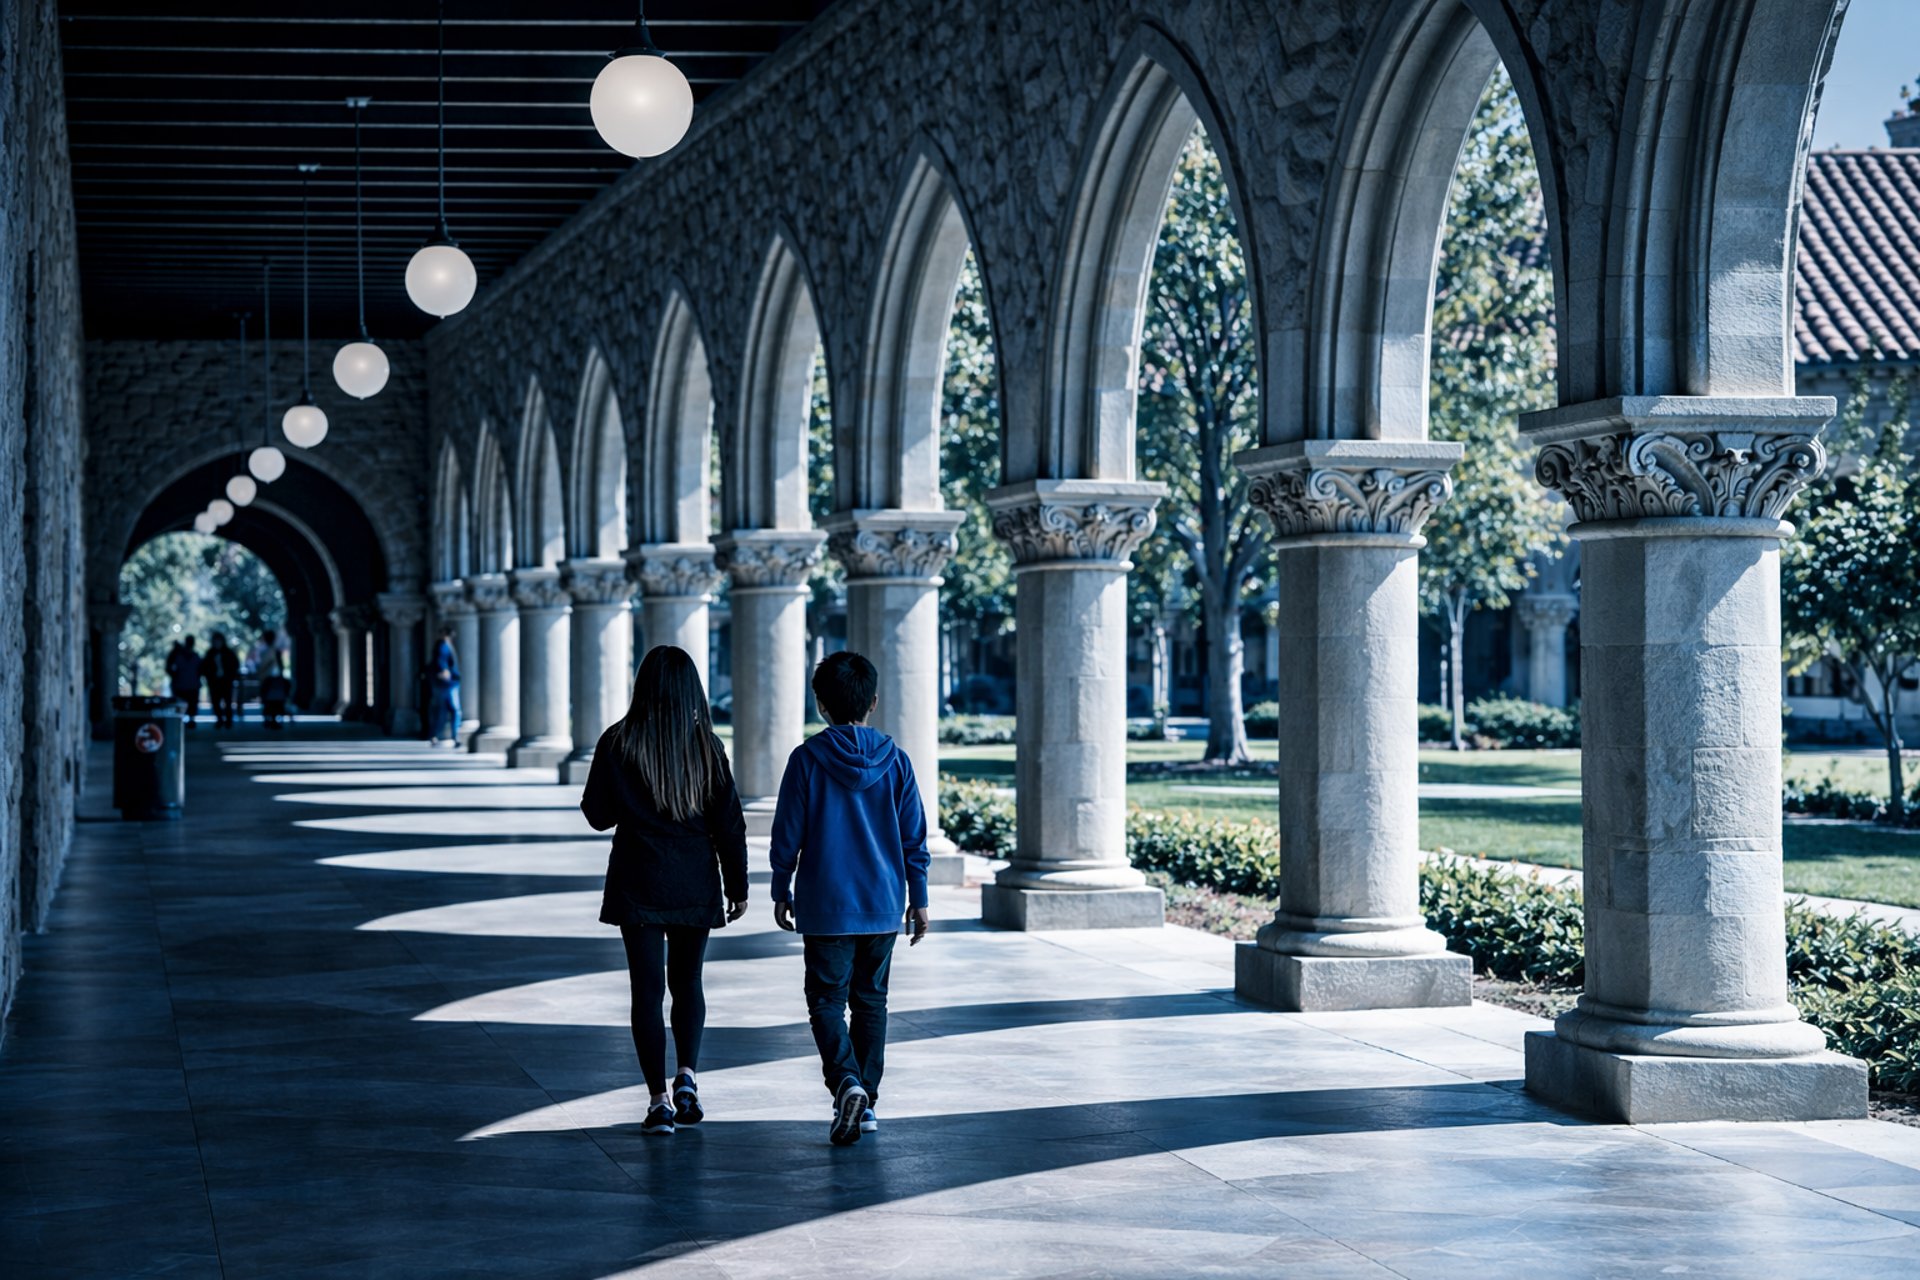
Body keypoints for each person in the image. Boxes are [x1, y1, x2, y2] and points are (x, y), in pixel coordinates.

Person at [580, 646, 748, 1137]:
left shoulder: (618, 741)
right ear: (691, 690)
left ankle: (657, 1101)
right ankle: (688, 1076)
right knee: (688, 983)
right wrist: (737, 887)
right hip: (694, 879)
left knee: (646, 991)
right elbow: (730, 825)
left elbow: (597, 814)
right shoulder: (707, 747)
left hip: (638, 879)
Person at [769, 649, 930, 1147]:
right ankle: (867, 1103)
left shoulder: (806, 760)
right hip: (882, 904)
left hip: (825, 906)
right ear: (874, 702)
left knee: (825, 1001)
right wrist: (918, 899)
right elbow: (914, 840)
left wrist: (781, 887)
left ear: (820, 704)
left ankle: (846, 1083)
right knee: (871, 1003)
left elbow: (786, 834)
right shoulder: (897, 762)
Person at [427, 625, 462, 747]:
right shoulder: (442, 646)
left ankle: (438, 735)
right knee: (452, 709)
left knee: (443, 710)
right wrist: (444, 670)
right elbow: (441, 661)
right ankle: (452, 736)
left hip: (448, 683)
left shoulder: (444, 645)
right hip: (448, 683)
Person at [202, 632, 240, 728]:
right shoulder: (210, 653)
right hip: (214, 682)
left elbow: (235, 666)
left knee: (227, 701)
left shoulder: (228, 653)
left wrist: (231, 676)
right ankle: (219, 719)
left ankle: (228, 720)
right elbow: (205, 667)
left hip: (226, 681)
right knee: (216, 702)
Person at [166, 634, 203, 728]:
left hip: (190, 685)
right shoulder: (181, 655)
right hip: (182, 685)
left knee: (191, 705)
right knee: (185, 705)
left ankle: (189, 720)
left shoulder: (194, 656)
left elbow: (201, 669)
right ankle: (186, 720)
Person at [259, 656, 291, 729]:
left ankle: (270, 720)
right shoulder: (280, 680)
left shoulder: (269, 680)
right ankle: (273, 721)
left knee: (272, 705)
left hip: (273, 698)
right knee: (274, 705)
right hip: (277, 698)